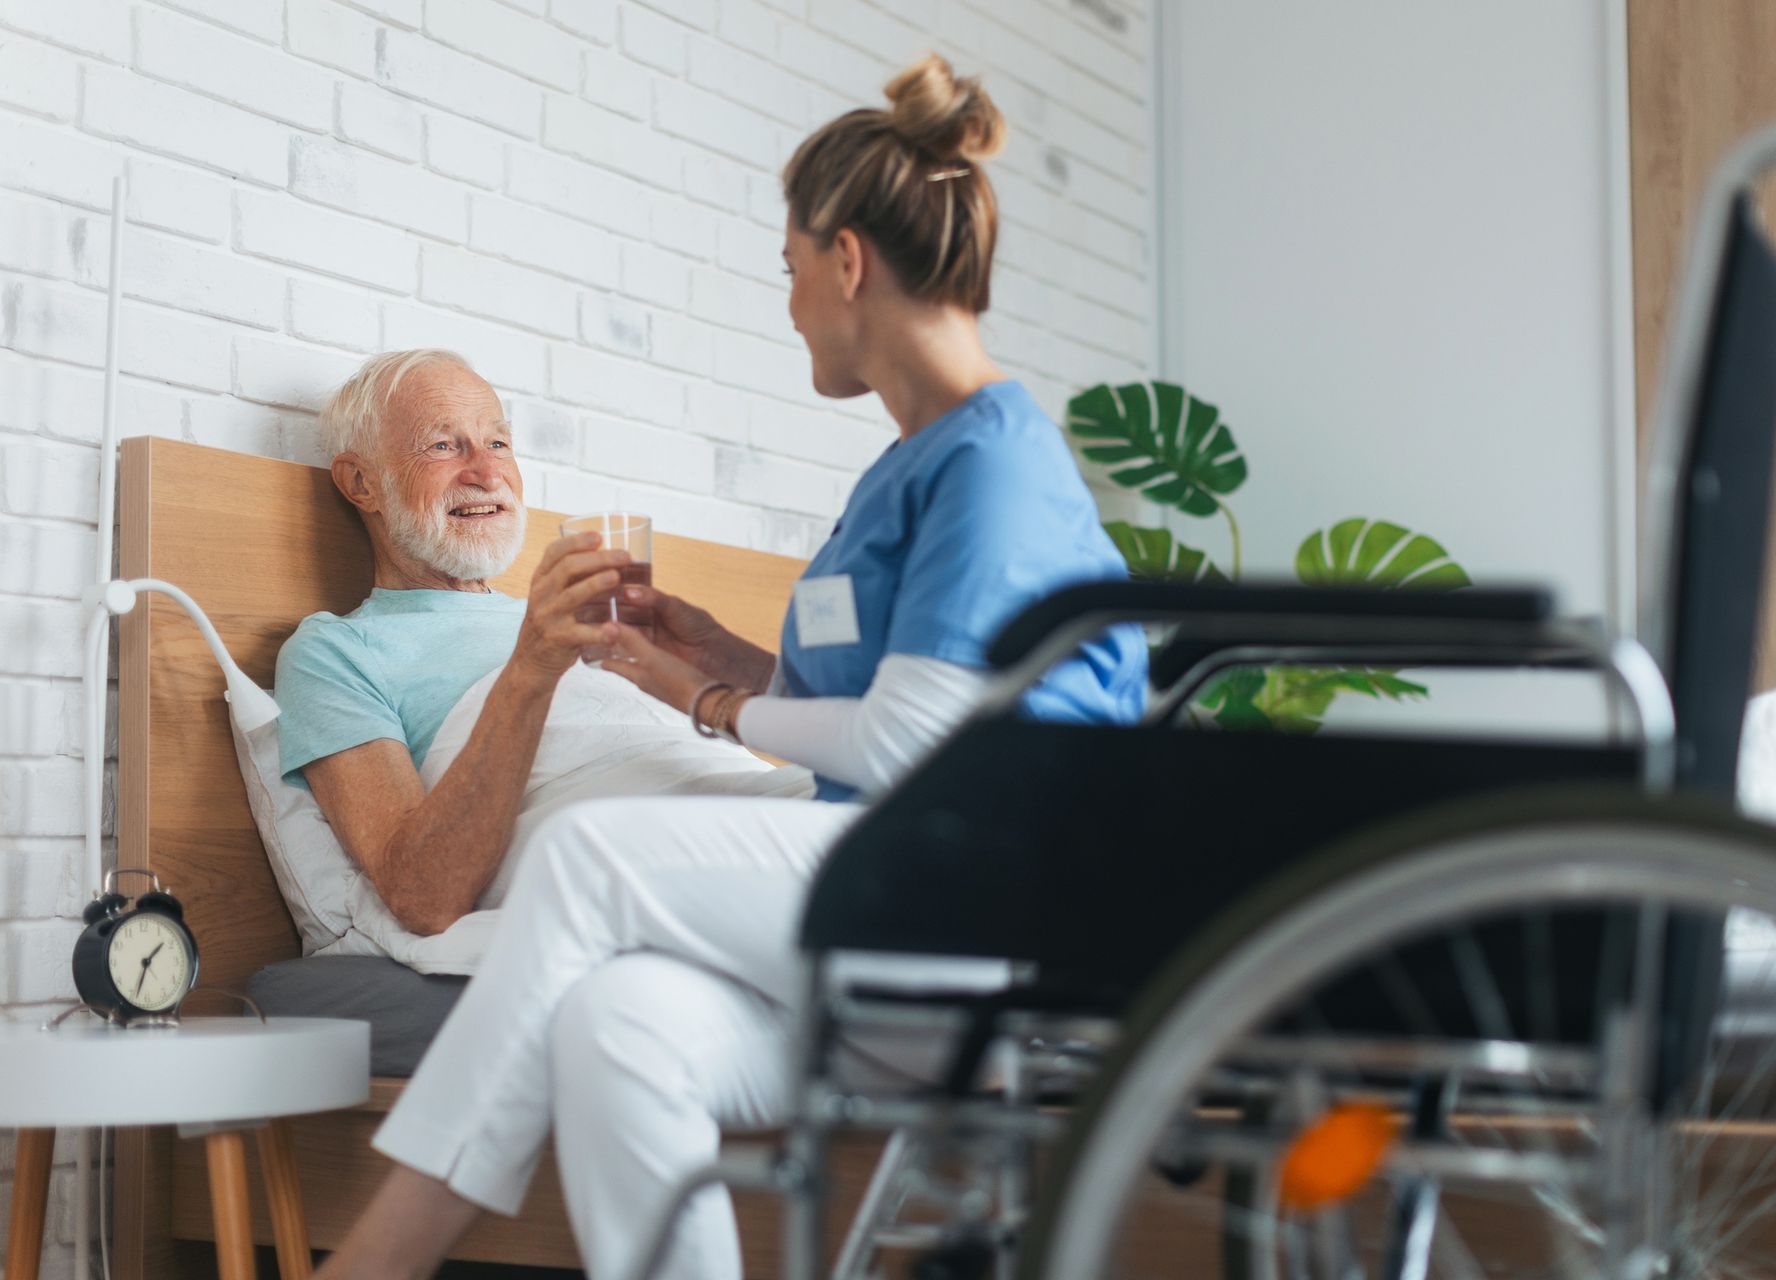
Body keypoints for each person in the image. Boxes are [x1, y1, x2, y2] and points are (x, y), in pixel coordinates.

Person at [312, 54, 1146, 1280]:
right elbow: (893, 695)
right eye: (447, 444)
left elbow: (919, 743)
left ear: (847, 262)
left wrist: (710, 698)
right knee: (618, 1022)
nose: (792, 304)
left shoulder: (995, 462)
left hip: (975, 908)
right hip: (884, 927)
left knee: (596, 859)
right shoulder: (907, 470)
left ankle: (382, 1254)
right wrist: (718, 652)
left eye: (791, 271)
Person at [277, 350, 797, 940]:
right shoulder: (335, 652)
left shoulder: (576, 618)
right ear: (361, 482)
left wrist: (714, 673)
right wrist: (532, 666)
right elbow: (422, 895)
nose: (487, 473)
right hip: (643, 845)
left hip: (746, 802)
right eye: (444, 446)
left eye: (498, 443)